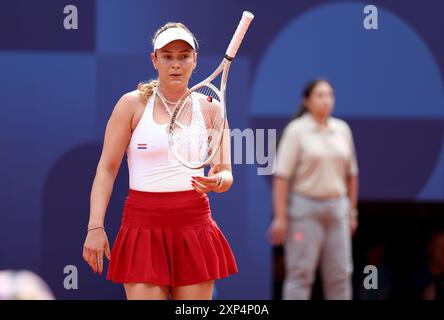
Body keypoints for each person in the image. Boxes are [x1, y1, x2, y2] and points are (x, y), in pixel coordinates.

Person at [82, 22, 238, 300]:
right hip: (142, 227)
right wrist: (96, 226)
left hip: (194, 226)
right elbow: (106, 169)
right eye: (167, 56)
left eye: (183, 56)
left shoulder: (212, 108)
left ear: (194, 61)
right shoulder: (130, 105)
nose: (175, 64)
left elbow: (225, 174)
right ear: (154, 60)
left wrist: (217, 182)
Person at [267, 79, 359, 300]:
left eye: (329, 95)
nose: (326, 100)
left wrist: (351, 212)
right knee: (300, 274)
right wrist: (281, 217)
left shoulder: (342, 129)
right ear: (306, 101)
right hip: (304, 209)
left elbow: (352, 174)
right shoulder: (296, 131)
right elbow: (282, 177)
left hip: (337, 209)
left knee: (340, 274)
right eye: (320, 95)